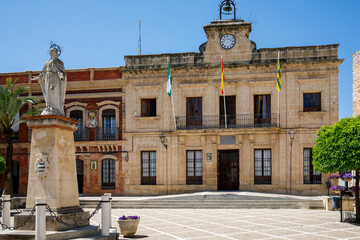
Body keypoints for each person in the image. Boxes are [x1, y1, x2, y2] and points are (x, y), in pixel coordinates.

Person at [32, 46, 67, 116]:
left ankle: (56, 108)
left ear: (56, 52)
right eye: (50, 52)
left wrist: (61, 76)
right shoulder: (47, 63)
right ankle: (49, 106)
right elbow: (44, 72)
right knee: (48, 94)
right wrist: (39, 77)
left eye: (52, 52)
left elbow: (61, 71)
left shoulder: (59, 62)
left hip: (55, 79)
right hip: (48, 79)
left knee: (55, 93)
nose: (51, 54)